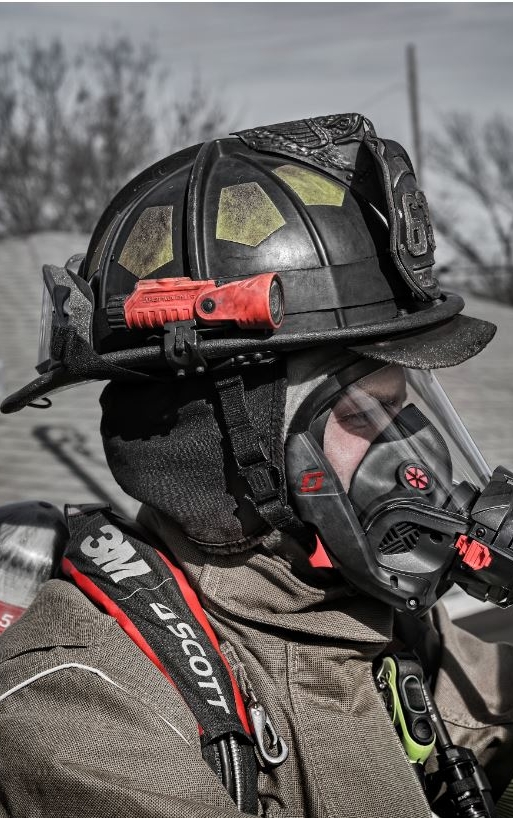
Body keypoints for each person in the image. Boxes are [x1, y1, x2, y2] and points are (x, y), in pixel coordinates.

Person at [1, 112, 513, 818]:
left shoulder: (366, 618)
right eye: (365, 415)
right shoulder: (82, 709)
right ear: (226, 446)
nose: (415, 459)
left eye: (408, 409)